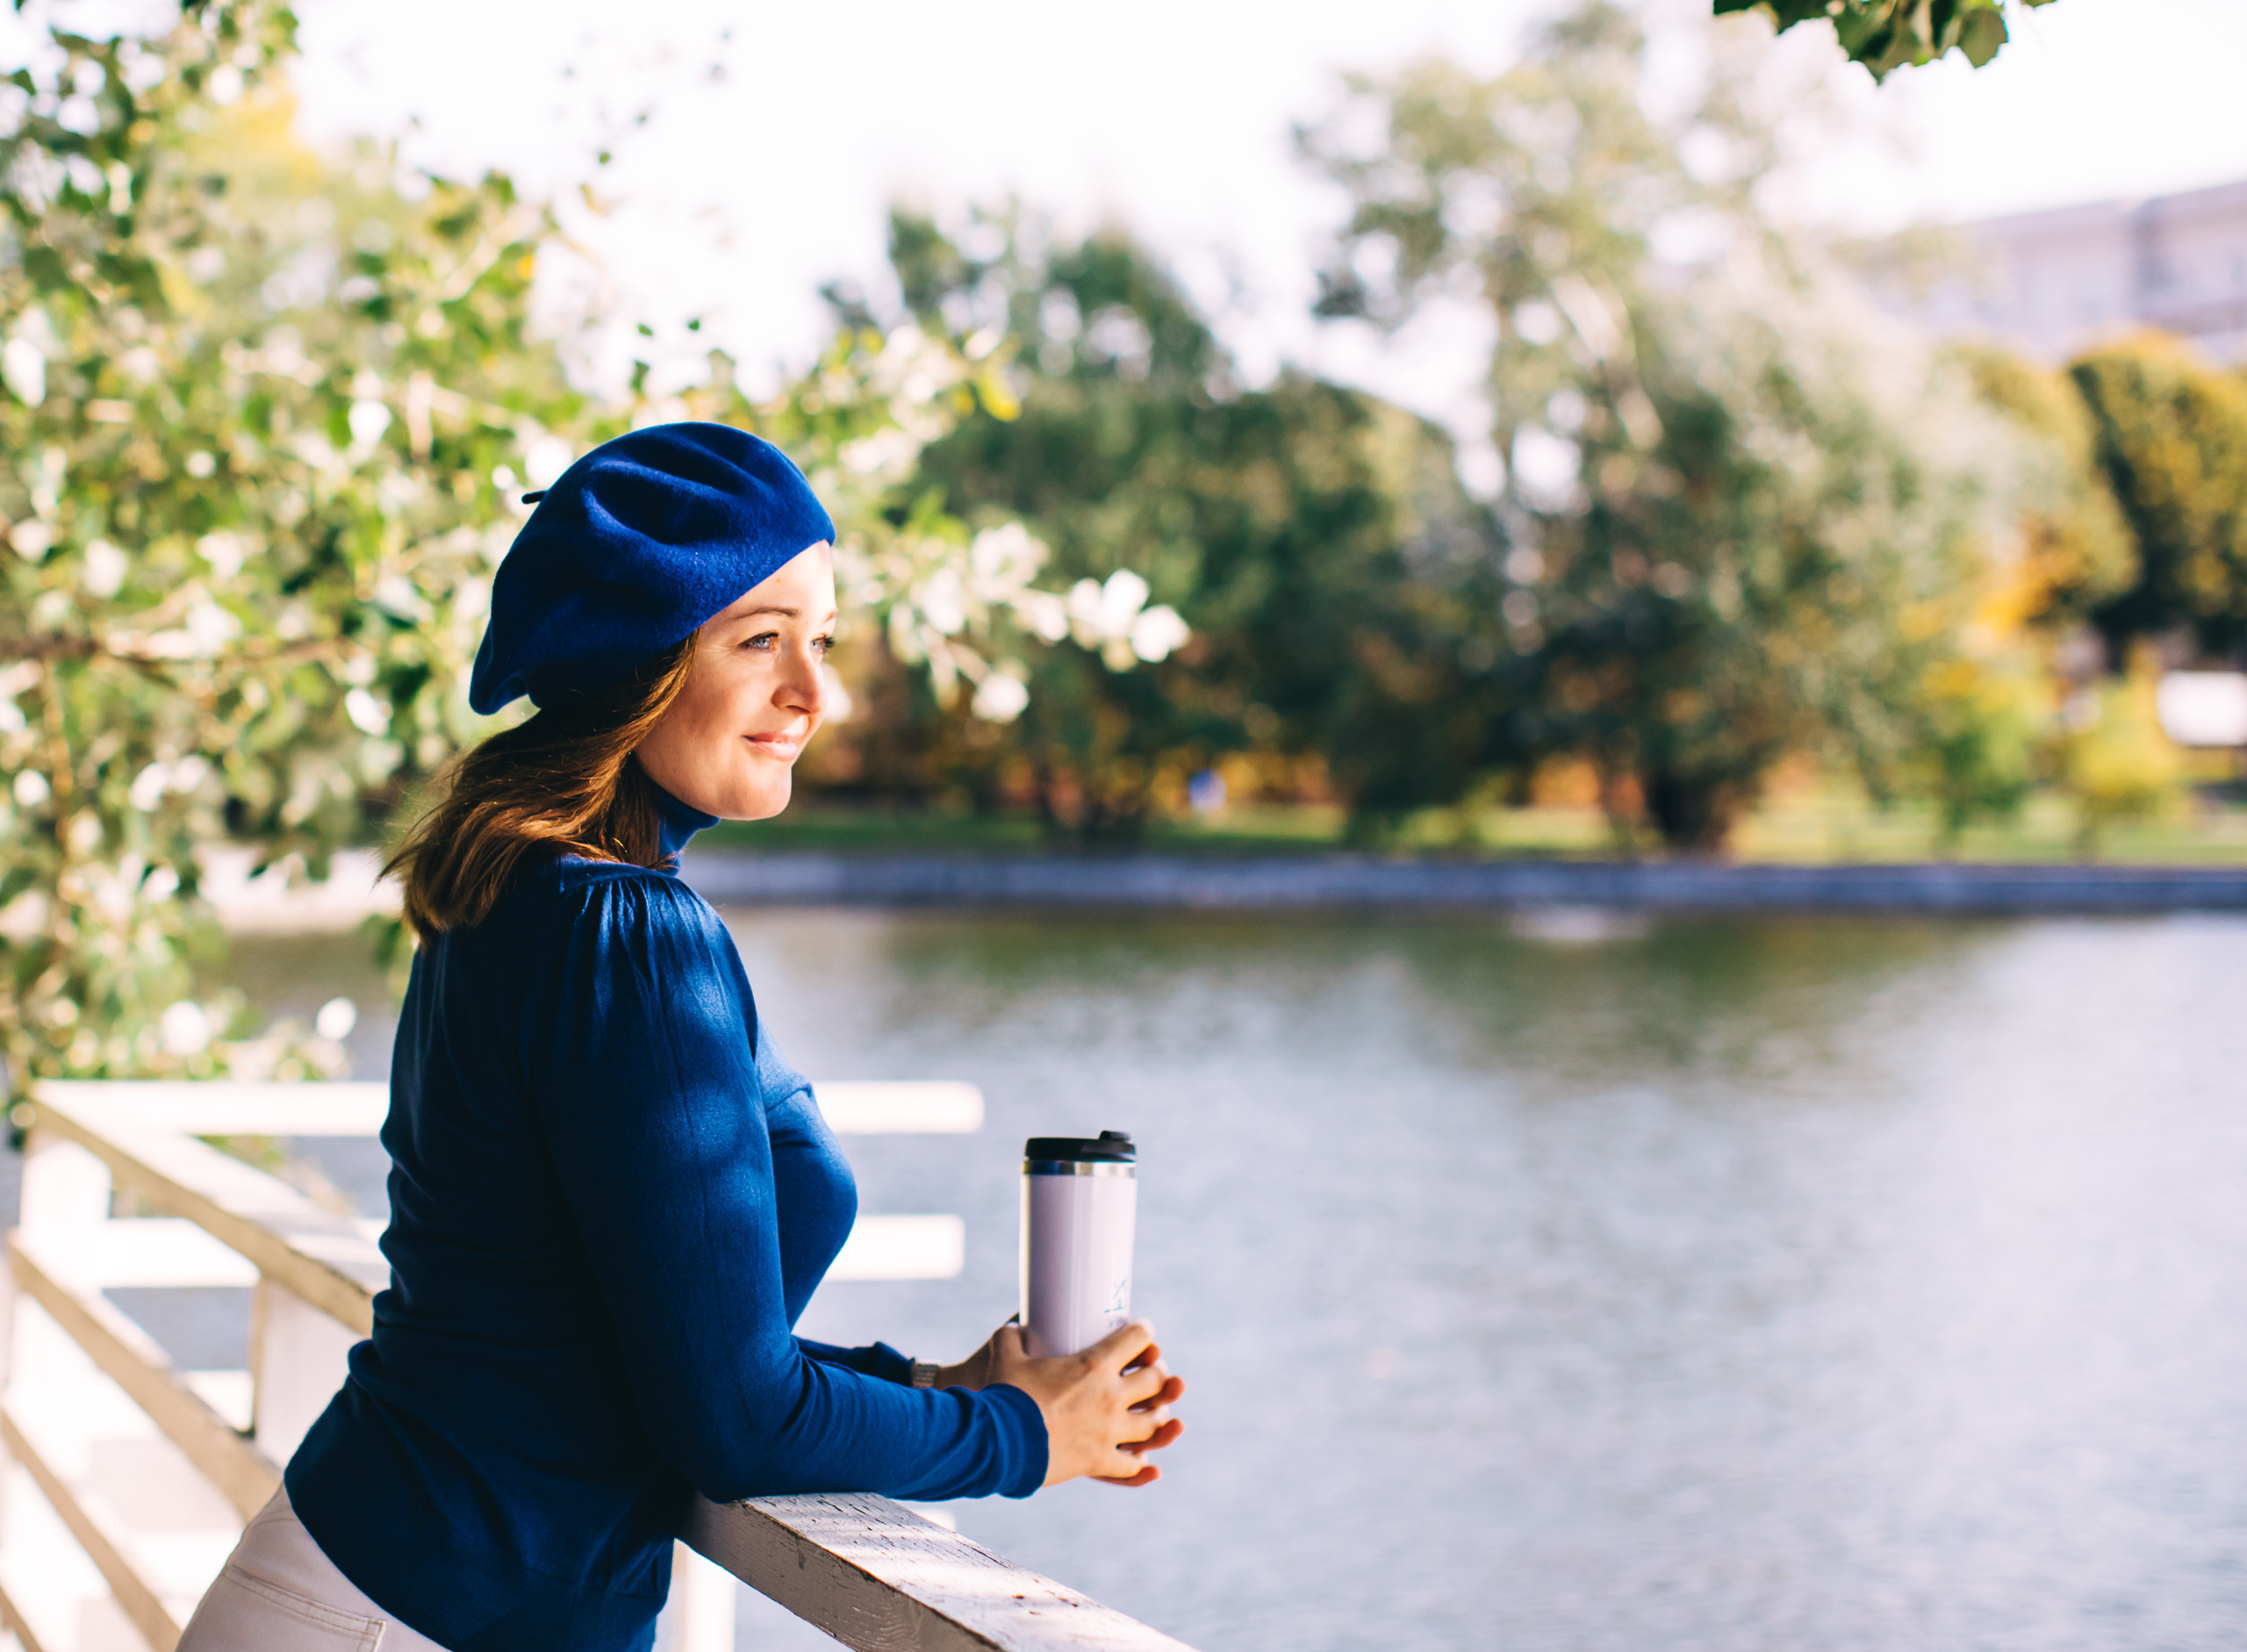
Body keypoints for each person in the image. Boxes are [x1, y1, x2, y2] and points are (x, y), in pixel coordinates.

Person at [177, 423, 1185, 1652]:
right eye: (761, 641)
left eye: (820, 641)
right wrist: (1023, 1438)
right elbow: (732, 1421)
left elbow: (630, 1325)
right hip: (411, 1615)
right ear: (637, 660)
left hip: (381, 1585)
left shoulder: (524, 896)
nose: (816, 695)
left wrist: (933, 1391)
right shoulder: (627, 936)